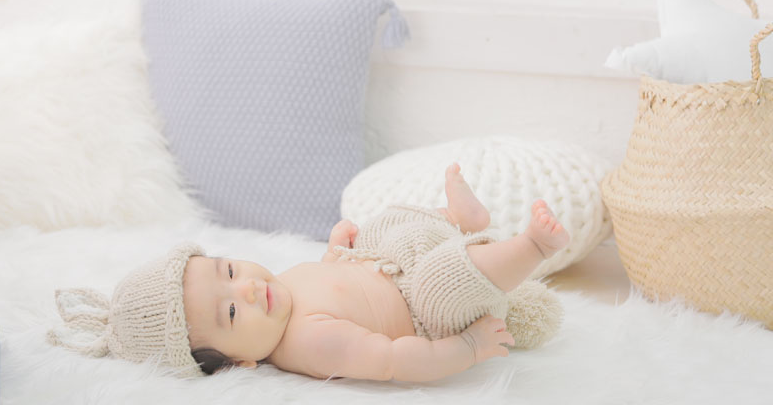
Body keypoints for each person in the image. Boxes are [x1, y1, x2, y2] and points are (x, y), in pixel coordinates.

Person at [48, 164, 568, 382]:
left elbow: (333, 283)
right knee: (446, 280)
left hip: (394, 265)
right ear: (239, 362)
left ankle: (458, 220)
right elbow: (391, 361)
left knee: (383, 225)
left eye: (228, 270)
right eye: (232, 313)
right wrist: (468, 349)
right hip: (427, 313)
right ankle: (530, 246)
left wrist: (339, 252)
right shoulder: (304, 345)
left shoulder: (282, 289)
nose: (248, 288)